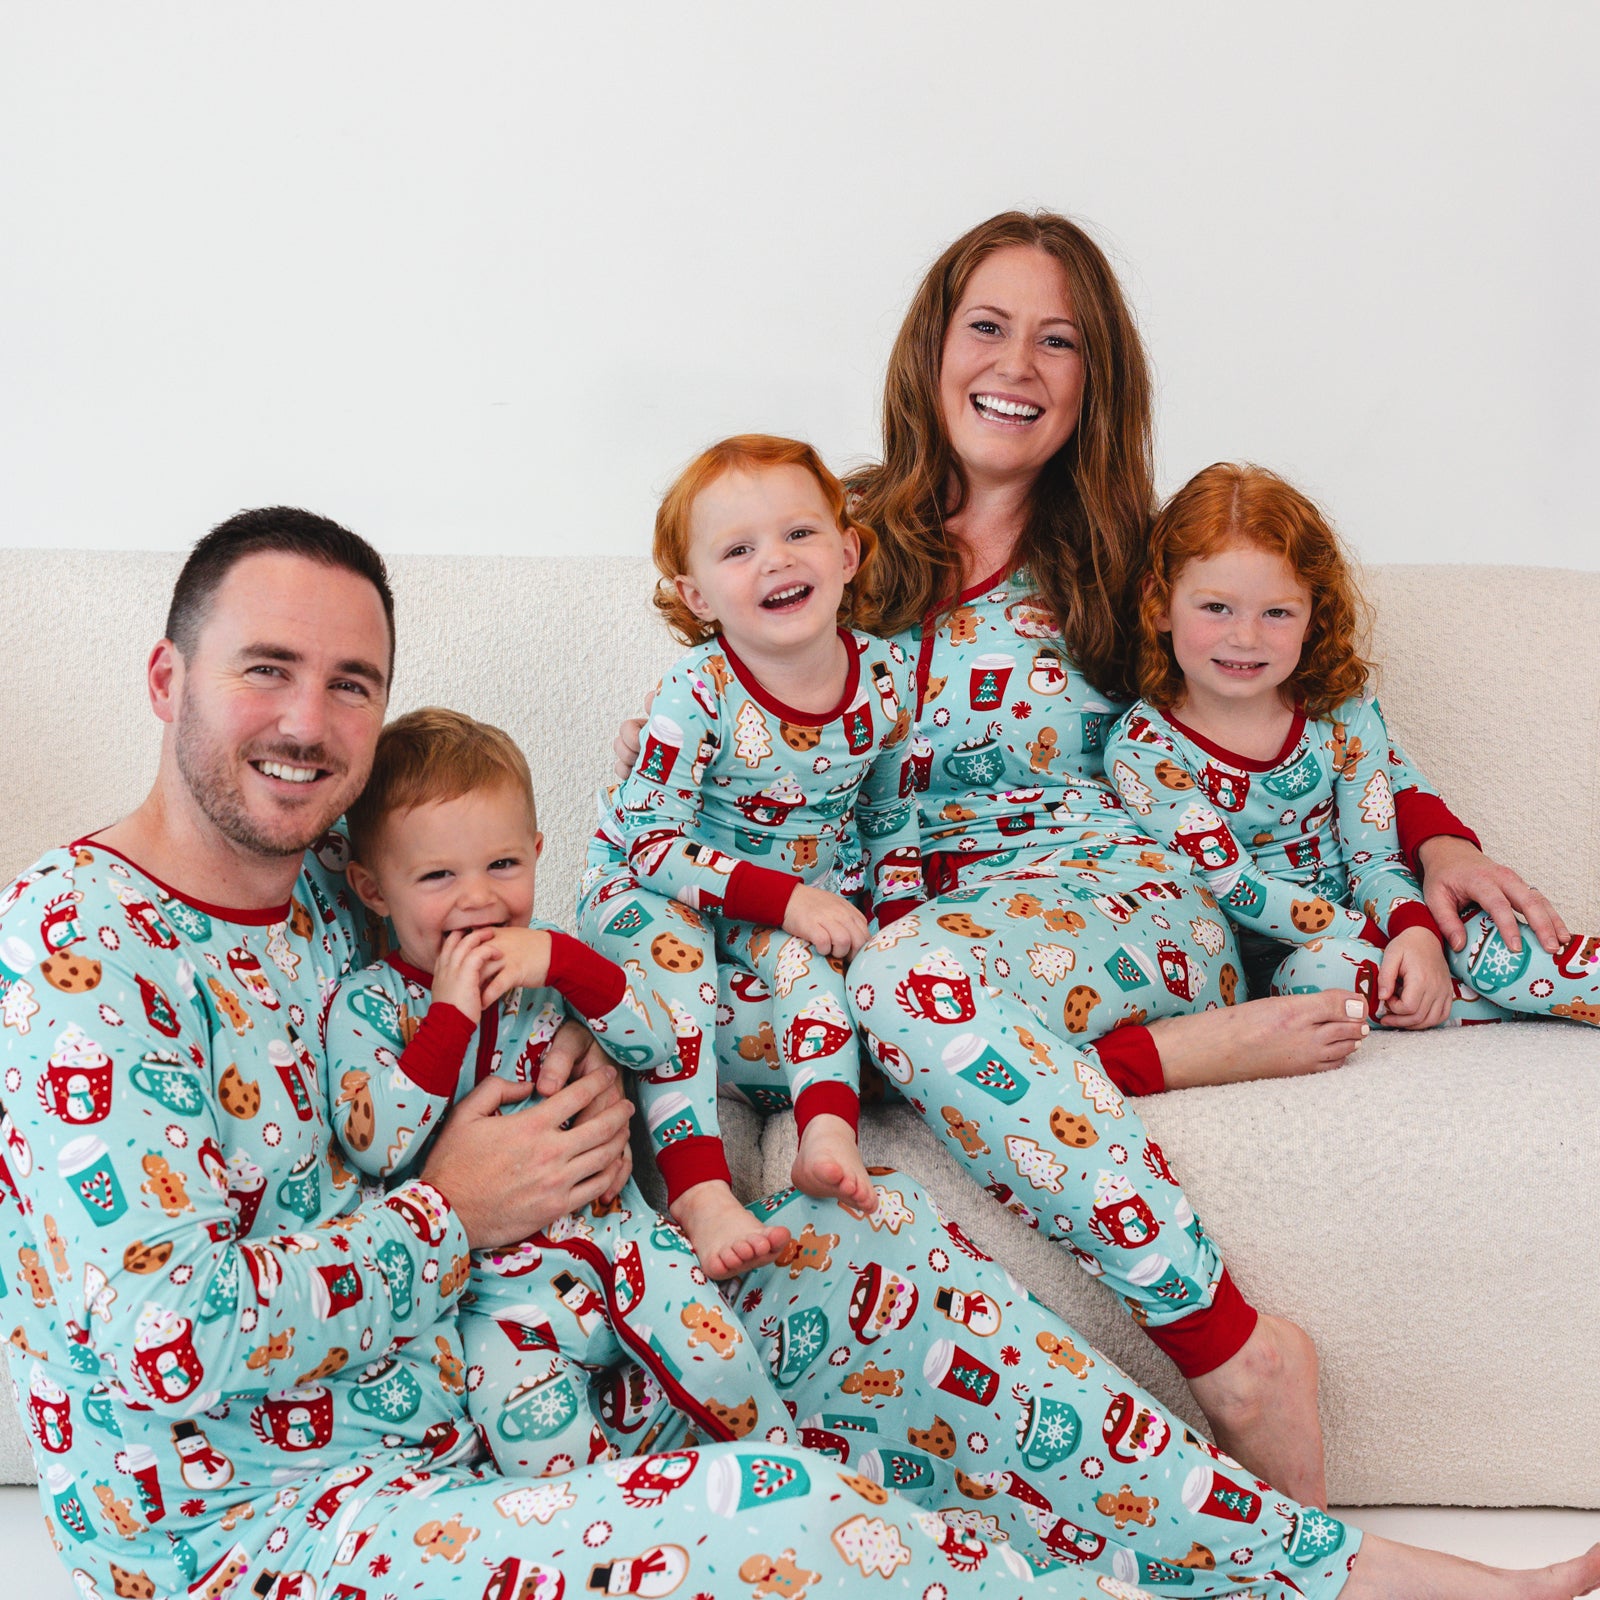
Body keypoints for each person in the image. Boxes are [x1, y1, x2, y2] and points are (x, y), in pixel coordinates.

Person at [5, 507, 1596, 1599]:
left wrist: (597, 1105)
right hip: (280, 1532)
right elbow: (154, 1344)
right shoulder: (72, 946)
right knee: (809, 1530)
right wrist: (456, 1214)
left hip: (529, 1372)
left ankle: (1347, 1575)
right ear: (168, 680)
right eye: (263, 671)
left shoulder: (356, 892)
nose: (307, 720)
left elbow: (526, 1060)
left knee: (859, 1272)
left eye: (349, 682)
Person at [614, 210, 1572, 1503]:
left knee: (897, 991)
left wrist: (1436, 834)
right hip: (894, 928)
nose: (1018, 363)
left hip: (1110, 896)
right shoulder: (833, 530)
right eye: (989, 327)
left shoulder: (1137, 550)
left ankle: (1232, 1354)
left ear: (1094, 377)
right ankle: (1154, 1063)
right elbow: (731, 685)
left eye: (1059, 340)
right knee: (707, 1006)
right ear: (934, 349)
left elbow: (1311, 694)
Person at [326, 705, 796, 1476]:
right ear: (373, 890)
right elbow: (379, 1143)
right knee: (533, 1440)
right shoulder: (370, 1006)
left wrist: (562, 960)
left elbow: (657, 1043)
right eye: (438, 876)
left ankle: (799, 1502)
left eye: (503, 866)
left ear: (538, 853)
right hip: (494, 1299)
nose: (478, 898)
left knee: (724, 1371)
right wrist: (449, 1013)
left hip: (626, 1243)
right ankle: (609, 1546)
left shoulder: (553, 972)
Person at [579, 435, 918, 1278]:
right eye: (739, 550)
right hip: (651, 887)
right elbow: (651, 840)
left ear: (846, 553)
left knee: (811, 971)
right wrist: (789, 900)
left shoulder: (882, 676)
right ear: (697, 596)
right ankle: (698, 1189)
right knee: (678, 960)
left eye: (799, 534)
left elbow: (890, 811)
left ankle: (827, 1130)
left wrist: (904, 925)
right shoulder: (694, 694)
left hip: (775, 903)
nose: (775, 560)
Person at [1102, 462, 1600, 1029]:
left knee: (1489, 932)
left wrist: (1416, 929)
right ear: (1160, 604)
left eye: (1277, 613)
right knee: (1330, 973)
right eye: (1216, 608)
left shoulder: (1342, 714)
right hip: (1291, 960)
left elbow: (1376, 859)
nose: (1245, 637)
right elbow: (1234, 885)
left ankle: (1533, 985)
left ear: (1313, 617)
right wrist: (1395, 938)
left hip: (1387, 914)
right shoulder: (1144, 749)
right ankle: (1502, 999)